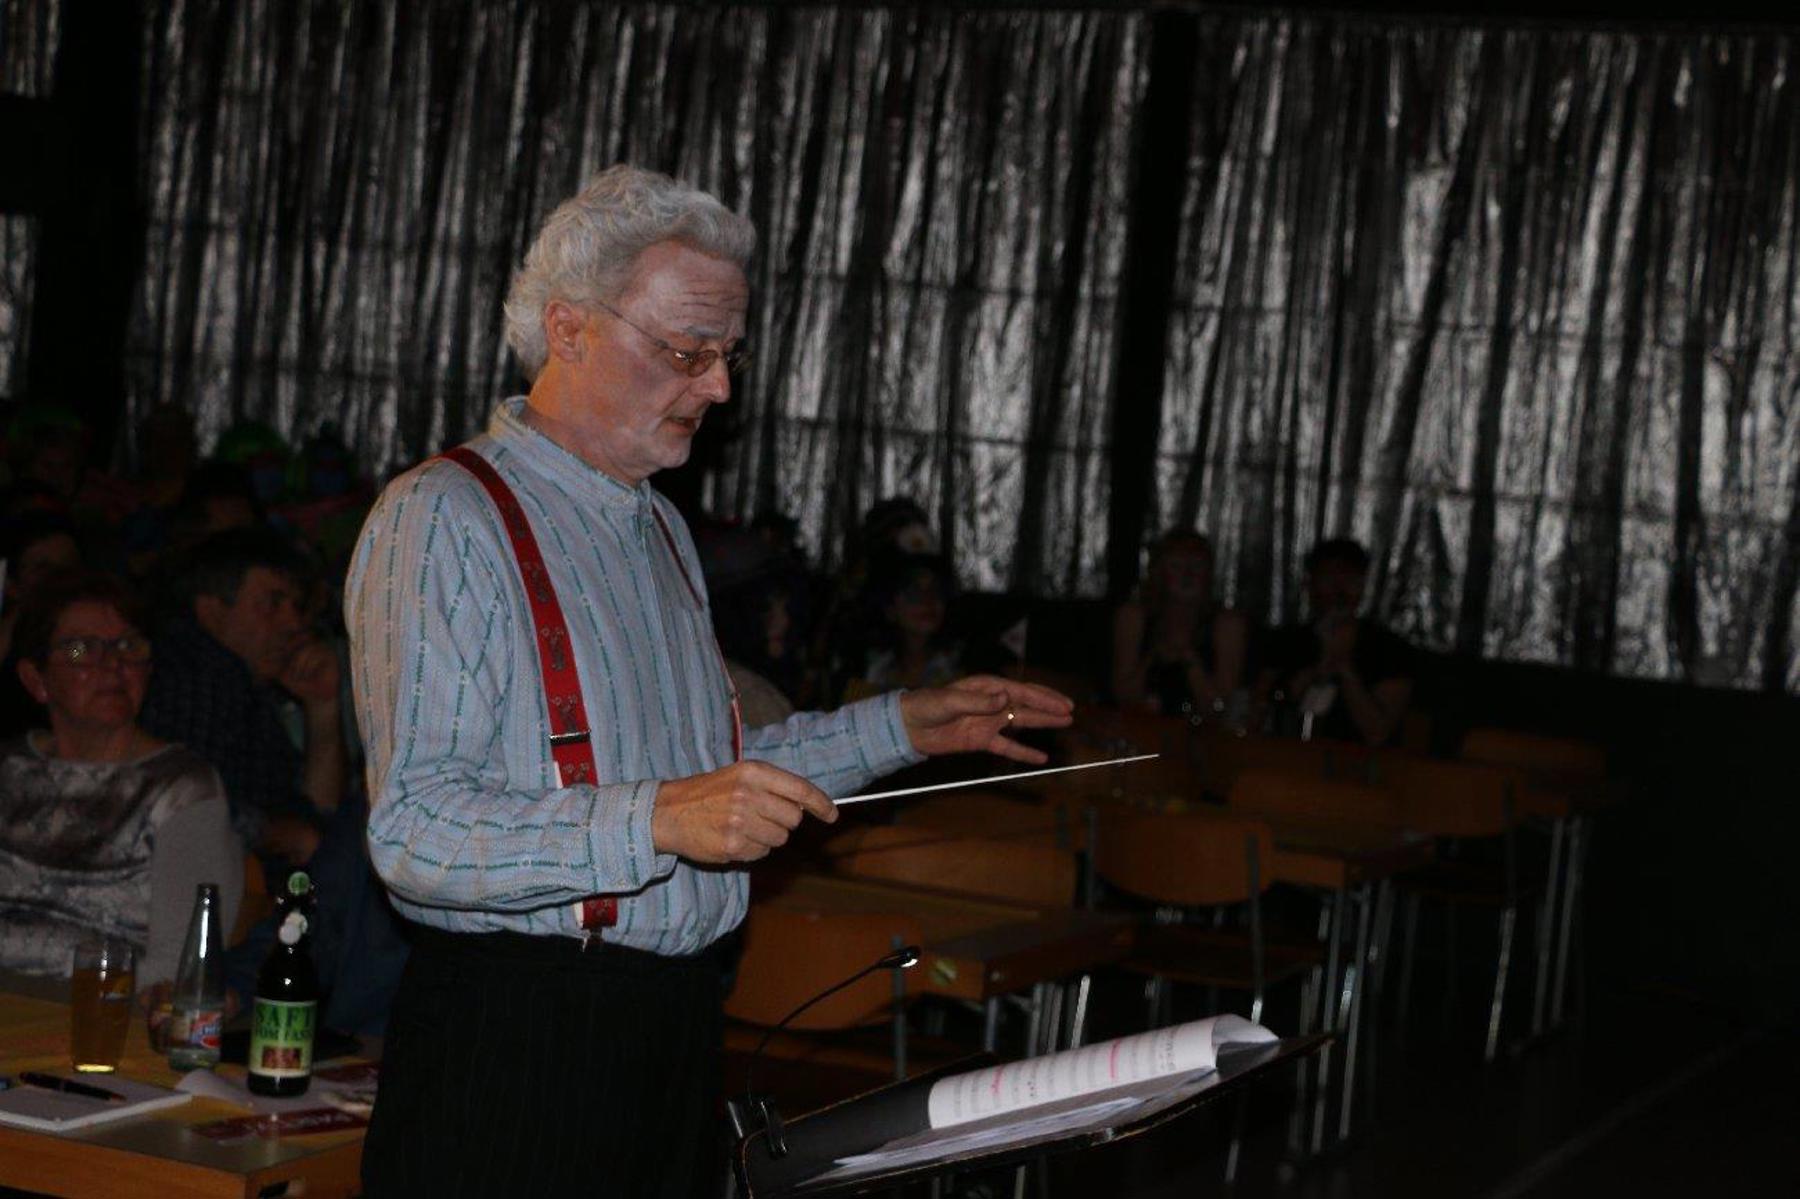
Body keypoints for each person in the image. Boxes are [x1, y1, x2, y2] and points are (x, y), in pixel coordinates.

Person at [346, 164, 1073, 1198]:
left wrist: (905, 725)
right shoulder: (443, 516)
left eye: (729, 355)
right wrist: (657, 819)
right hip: (520, 1039)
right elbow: (414, 831)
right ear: (568, 329)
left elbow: (710, 776)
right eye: (687, 351)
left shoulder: (659, 525)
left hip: (673, 1028)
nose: (719, 388)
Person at [0, 571, 241, 985]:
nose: (113, 664)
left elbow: (181, 962)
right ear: (36, 680)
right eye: (81, 649)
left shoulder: (182, 787)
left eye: (129, 646)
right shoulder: (10, 768)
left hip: (106, 1010)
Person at [140, 528, 346, 869]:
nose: (294, 623)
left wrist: (322, 706)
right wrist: (272, 833)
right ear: (212, 611)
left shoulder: (238, 682)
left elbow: (316, 817)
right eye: (272, 603)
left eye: (296, 607)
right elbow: (178, 806)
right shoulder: (195, 675)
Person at [1254, 538, 1414, 745]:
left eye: (1350, 580)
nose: (1340, 591)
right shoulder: (1286, 642)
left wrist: (1344, 670)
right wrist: (1314, 672)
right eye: (1329, 579)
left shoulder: (1391, 649)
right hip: (1287, 755)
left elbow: (1377, 732)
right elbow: (1260, 713)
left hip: (1360, 761)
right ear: (1310, 584)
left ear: (1363, 585)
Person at [1110, 529, 1249, 719]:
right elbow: (1123, 697)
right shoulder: (1133, 616)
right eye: (1176, 566)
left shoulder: (1228, 624)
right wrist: (1155, 655)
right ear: (1159, 573)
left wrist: (1188, 657)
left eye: (1197, 566)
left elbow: (1220, 708)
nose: (1187, 575)